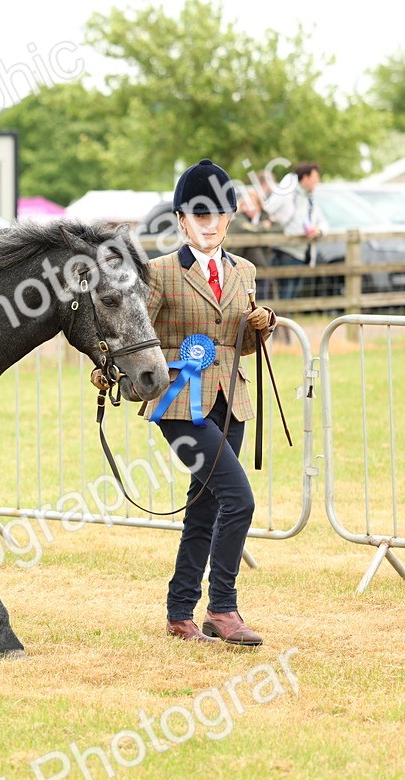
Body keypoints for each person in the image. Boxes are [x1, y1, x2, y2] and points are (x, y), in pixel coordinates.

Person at [141, 158, 276, 646]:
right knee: (238, 499)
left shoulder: (244, 271)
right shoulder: (158, 273)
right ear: (181, 220)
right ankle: (223, 608)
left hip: (230, 399)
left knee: (205, 505)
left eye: (217, 214)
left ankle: (180, 613)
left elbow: (236, 343)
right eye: (198, 215)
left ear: (230, 217)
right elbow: (136, 336)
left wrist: (260, 328)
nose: (208, 223)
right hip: (179, 404)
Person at [263, 161, 328, 298]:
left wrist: (318, 231)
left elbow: (323, 222)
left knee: (291, 297)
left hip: (302, 253)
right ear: (305, 178)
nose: (318, 181)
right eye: (315, 178)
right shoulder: (286, 192)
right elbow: (266, 209)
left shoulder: (309, 198)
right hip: (285, 252)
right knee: (285, 297)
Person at [228, 187, 274, 299]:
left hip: (257, 263)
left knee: (262, 285)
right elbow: (250, 229)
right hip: (236, 261)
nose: (250, 207)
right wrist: (265, 226)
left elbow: (279, 226)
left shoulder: (263, 216)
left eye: (253, 204)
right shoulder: (238, 218)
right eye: (247, 204)